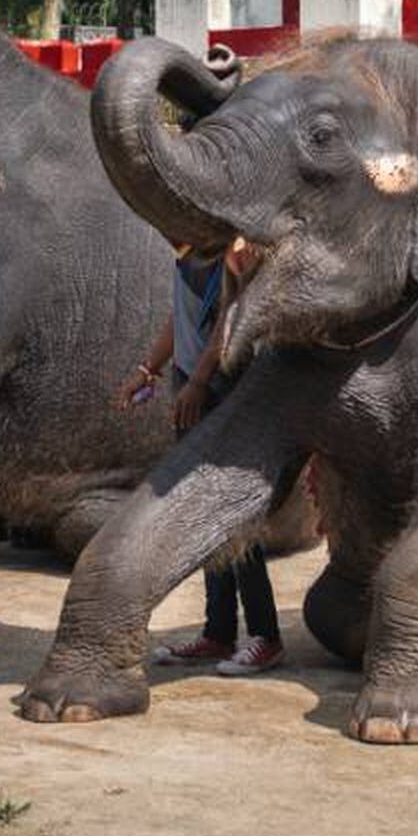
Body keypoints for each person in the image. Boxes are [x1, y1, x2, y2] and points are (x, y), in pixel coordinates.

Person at [115, 242, 283, 676]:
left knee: (233, 512)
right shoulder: (187, 252)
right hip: (192, 386)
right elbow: (181, 316)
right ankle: (218, 632)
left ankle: (266, 636)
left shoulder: (236, 250)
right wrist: (147, 370)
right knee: (204, 511)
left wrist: (202, 381)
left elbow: (230, 319)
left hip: (226, 388)